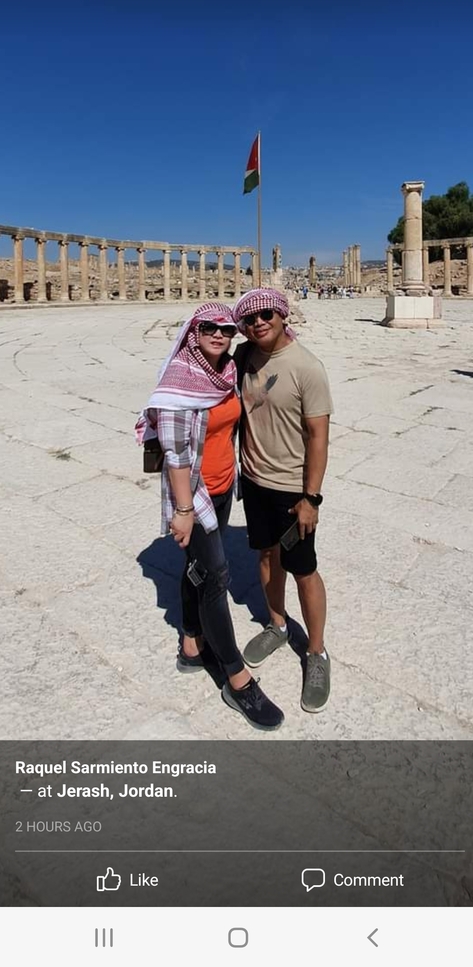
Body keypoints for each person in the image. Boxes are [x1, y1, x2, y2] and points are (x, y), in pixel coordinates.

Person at [136, 302, 284, 732]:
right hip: (194, 497)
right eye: (209, 327)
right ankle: (237, 679)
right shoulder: (180, 382)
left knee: (198, 569)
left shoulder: (225, 372)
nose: (220, 334)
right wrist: (182, 512)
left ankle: (190, 644)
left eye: (226, 327)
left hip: (222, 488)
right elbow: (178, 458)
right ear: (192, 331)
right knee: (216, 577)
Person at [232, 288, 334, 714]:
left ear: (282, 314)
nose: (259, 323)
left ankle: (316, 652)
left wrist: (311, 498)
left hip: (293, 492)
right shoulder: (243, 356)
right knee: (266, 557)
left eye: (267, 315)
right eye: (250, 318)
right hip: (254, 482)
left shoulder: (307, 367)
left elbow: (318, 437)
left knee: (303, 569)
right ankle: (276, 623)